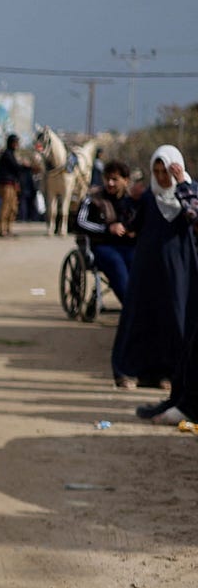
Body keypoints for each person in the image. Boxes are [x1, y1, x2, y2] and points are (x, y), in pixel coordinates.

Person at [115, 146, 198, 403]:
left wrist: (182, 182)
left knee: (175, 318)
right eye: (158, 171)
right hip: (148, 269)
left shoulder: (188, 194)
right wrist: (127, 207)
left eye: (167, 171)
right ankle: (133, 372)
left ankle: (169, 373)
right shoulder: (149, 198)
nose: (163, 178)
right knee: (142, 317)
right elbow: (132, 225)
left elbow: (194, 213)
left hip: (180, 270)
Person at [74, 161, 137, 348]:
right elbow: (80, 222)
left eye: (115, 179)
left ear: (126, 180)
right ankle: (132, 312)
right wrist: (107, 228)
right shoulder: (93, 198)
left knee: (137, 265)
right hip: (103, 246)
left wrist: (133, 230)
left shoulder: (134, 200)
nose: (110, 183)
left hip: (129, 246)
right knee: (116, 266)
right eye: (107, 179)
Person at [0, 134, 25, 238]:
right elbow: (15, 167)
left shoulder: (12, 154)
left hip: (12, 184)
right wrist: (26, 166)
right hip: (6, 185)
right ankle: (2, 229)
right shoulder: (7, 154)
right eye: (15, 142)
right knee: (6, 207)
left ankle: (8, 229)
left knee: (13, 208)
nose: (17, 145)